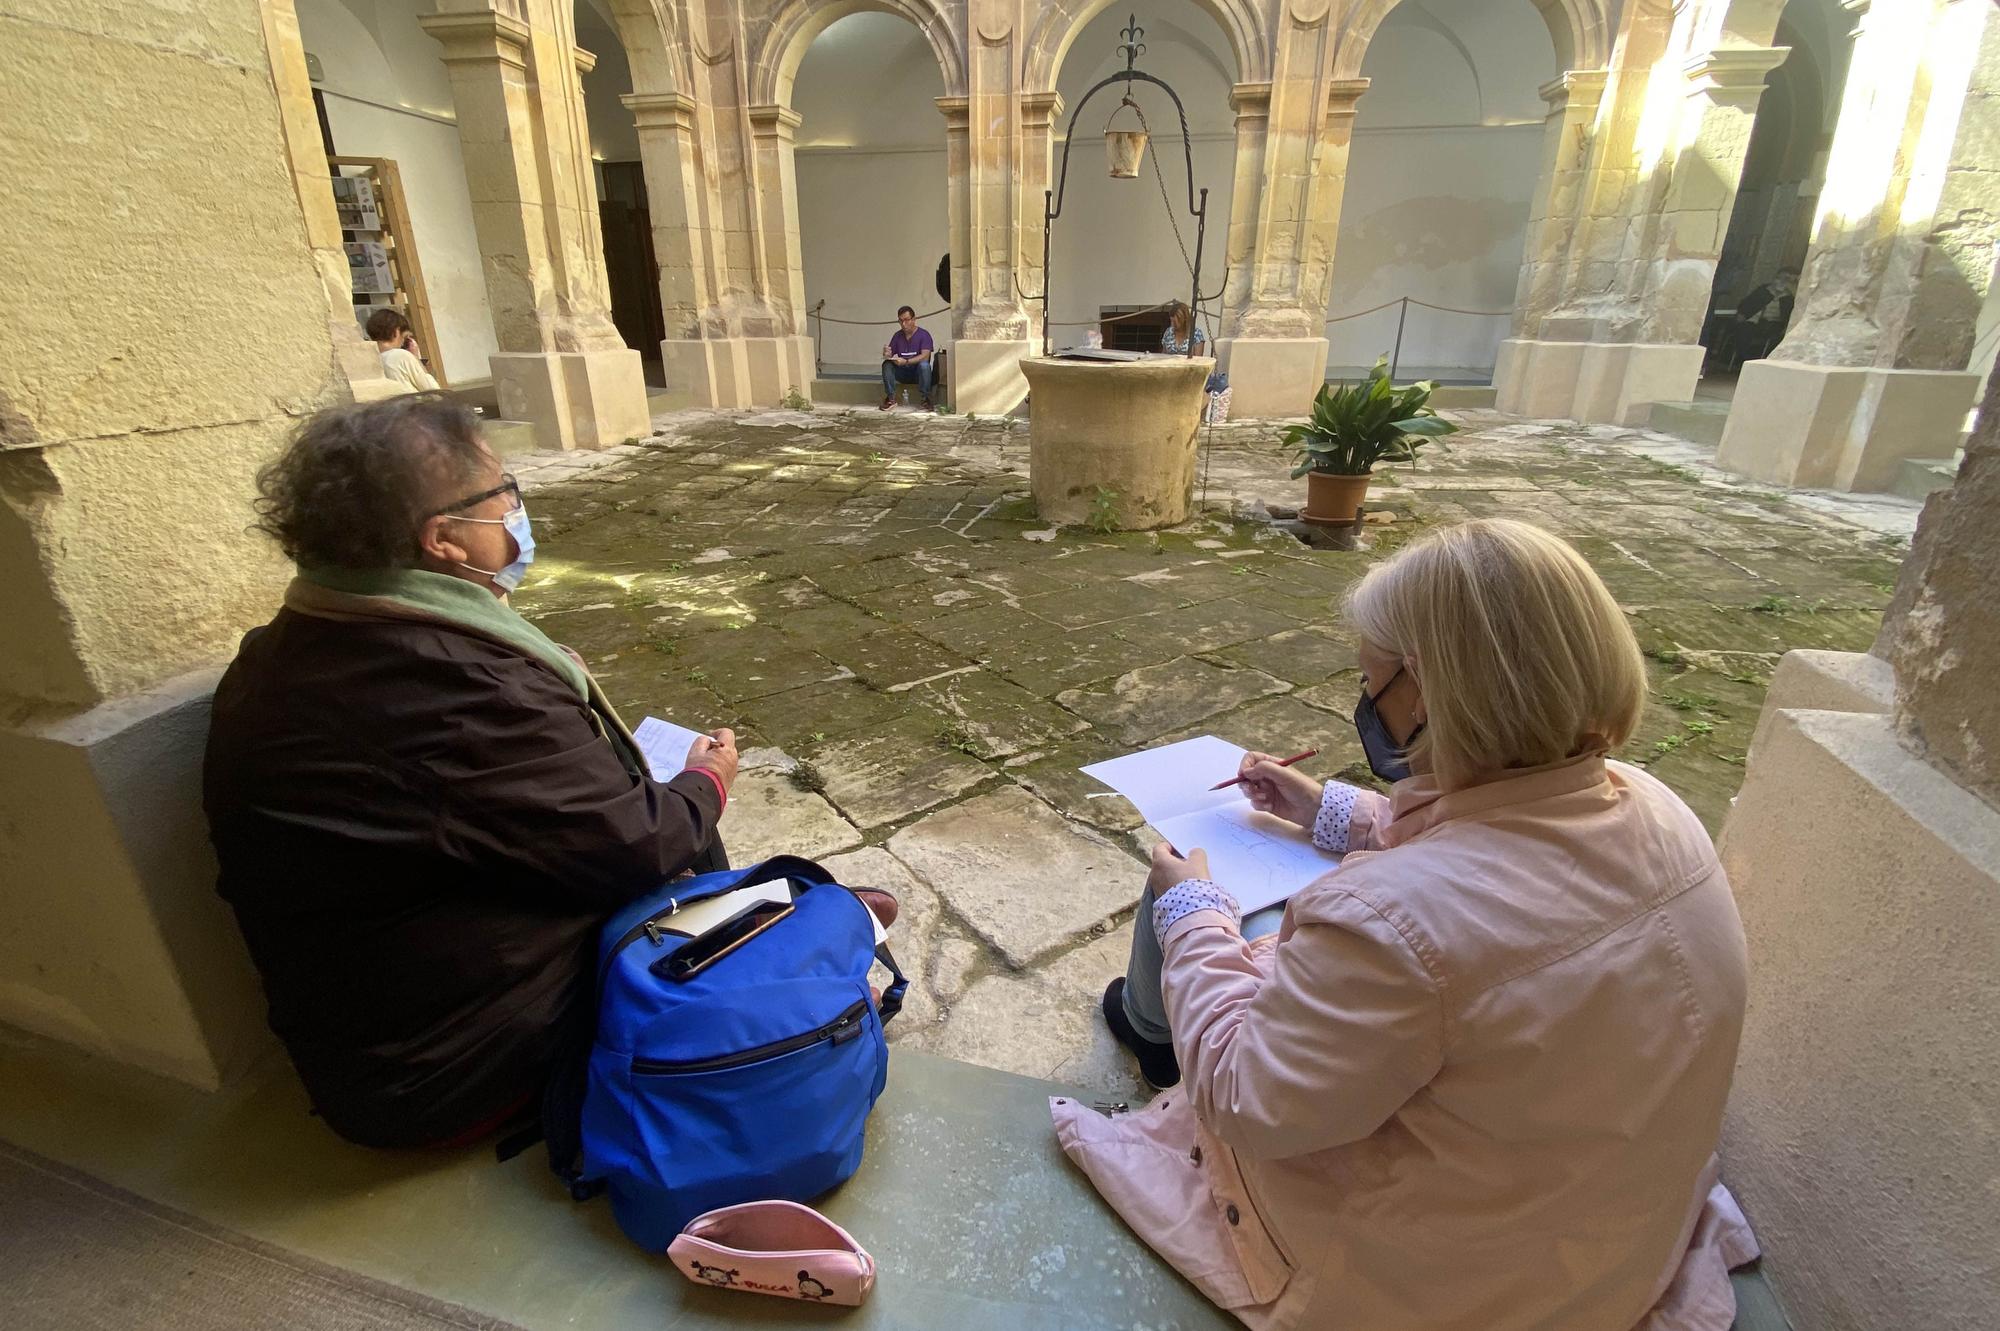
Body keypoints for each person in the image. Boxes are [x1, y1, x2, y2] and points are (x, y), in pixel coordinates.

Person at [1062, 518, 1756, 1330]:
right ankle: (1148, 1018)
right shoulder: (1657, 809)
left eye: (1371, 681)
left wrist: (1194, 911)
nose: (1365, 702)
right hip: (1598, 1239)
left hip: (1436, 1282)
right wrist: (1332, 810)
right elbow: (1501, 850)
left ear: (1423, 690)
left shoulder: (1387, 927)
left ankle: (1151, 1032)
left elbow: (1247, 1097)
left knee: (1188, 888)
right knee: (1225, 903)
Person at [203, 395, 741, 1150]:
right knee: (684, 843)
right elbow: (638, 845)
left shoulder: (288, 645)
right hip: (450, 1070)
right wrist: (706, 779)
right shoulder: (463, 692)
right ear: (444, 540)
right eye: (503, 494)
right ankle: (763, 939)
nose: (517, 509)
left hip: (376, 1035)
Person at [365, 306, 440, 393]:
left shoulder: (370, 359)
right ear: (396, 331)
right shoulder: (401, 356)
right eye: (405, 337)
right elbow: (433, 391)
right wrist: (416, 358)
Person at [880, 305, 934, 410]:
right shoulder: (897, 336)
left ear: (914, 319)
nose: (904, 324)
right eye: (900, 321)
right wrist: (887, 354)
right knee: (887, 364)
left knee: (924, 365)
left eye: (906, 320)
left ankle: (925, 399)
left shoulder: (924, 335)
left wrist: (906, 361)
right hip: (902, 372)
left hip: (918, 373)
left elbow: (925, 356)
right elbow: (890, 355)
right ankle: (891, 398)